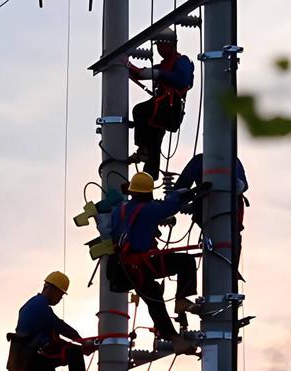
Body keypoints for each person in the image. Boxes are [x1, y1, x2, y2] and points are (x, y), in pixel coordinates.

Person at [108, 172, 199, 354]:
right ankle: (180, 303)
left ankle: (175, 338)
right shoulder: (148, 210)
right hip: (140, 265)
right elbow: (168, 207)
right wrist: (183, 194)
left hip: (124, 266)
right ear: (148, 193)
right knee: (185, 262)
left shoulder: (120, 210)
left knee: (154, 297)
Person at [127, 28, 195, 180]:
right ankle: (147, 183)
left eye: (161, 45)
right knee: (154, 144)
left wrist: (158, 74)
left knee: (140, 111)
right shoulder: (164, 65)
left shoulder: (181, 61)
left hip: (169, 108)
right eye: (157, 46)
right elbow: (141, 74)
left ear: (171, 44)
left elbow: (183, 80)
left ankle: (142, 148)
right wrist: (126, 66)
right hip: (162, 109)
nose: (159, 49)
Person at [7, 271, 95, 371]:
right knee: (75, 352)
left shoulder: (32, 303)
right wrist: (82, 341)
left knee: (67, 350)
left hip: (27, 356)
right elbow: (61, 327)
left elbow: (53, 336)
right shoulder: (40, 305)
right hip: (33, 356)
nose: (60, 299)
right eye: (60, 295)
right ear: (52, 289)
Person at [174, 154, 249, 268]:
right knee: (225, 243)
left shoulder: (201, 161)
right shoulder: (229, 160)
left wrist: (183, 203)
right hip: (211, 210)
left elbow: (241, 185)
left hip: (220, 212)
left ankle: (228, 270)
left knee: (226, 242)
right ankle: (229, 271)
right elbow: (180, 189)